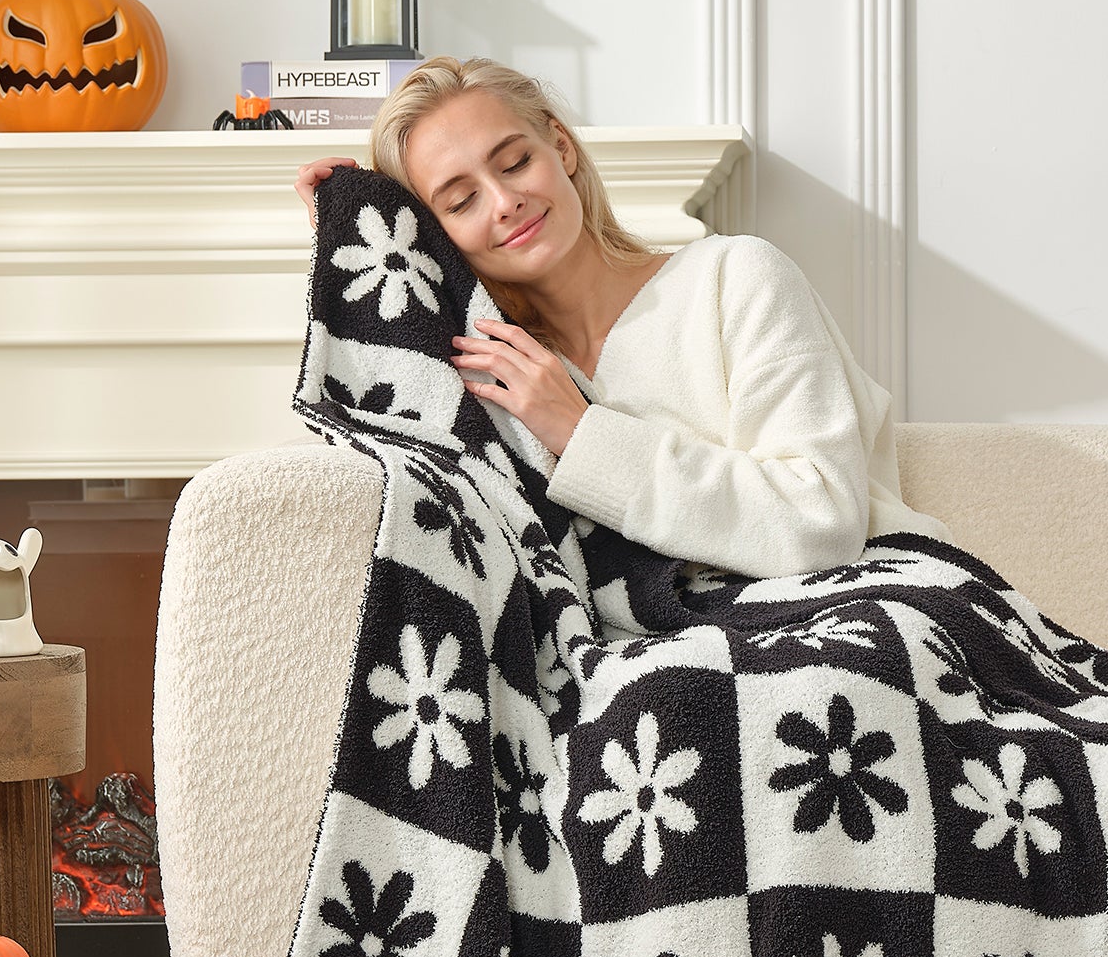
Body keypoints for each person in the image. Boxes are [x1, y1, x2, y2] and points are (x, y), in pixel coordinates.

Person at [294, 56, 952, 580]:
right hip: (659, 660)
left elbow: (821, 523)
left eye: (516, 162)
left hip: (857, 605)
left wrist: (580, 432)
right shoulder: (495, 372)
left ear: (561, 148)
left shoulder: (735, 278)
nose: (504, 201)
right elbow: (404, 481)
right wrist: (352, 226)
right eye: (461, 201)